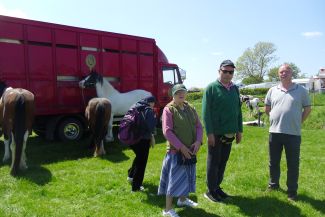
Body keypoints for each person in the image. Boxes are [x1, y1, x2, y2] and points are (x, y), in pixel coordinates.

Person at [265, 63, 311, 201]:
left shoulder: (301, 90)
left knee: (293, 163)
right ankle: (273, 185)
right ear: (278, 74)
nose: (283, 74)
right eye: (281, 72)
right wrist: (275, 119)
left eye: (286, 71)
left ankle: (292, 191)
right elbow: (267, 109)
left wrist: (298, 122)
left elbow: (307, 109)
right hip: (274, 132)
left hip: (293, 134)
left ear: (292, 73)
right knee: (273, 162)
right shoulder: (272, 90)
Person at [158, 84, 203, 217]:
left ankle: (182, 200)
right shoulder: (169, 109)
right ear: (173, 94)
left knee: (187, 176)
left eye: (183, 91)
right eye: (178, 92)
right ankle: (167, 210)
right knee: (173, 180)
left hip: (191, 150)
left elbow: (199, 126)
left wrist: (198, 141)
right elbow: (167, 131)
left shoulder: (190, 107)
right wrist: (181, 147)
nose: (181, 94)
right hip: (175, 152)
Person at [202, 59, 243, 202]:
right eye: (225, 71)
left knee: (223, 161)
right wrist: (210, 133)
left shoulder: (235, 89)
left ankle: (217, 187)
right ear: (219, 71)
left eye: (231, 72)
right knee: (213, 162)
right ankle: (210, 190)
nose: (228, 74)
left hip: (230, 133)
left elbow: (238, 110)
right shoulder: (211, 88)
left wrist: (239, 130)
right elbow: (206, 113)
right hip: (216, 133)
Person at [127, 95, 157, 192]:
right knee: (142, 163)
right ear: (151, 102)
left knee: (138, 157)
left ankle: (131, 176)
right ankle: (136, 187)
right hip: (143, 140)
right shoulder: (148, 110)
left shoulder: (135, 107)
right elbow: (151, 126)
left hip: (131, 138)